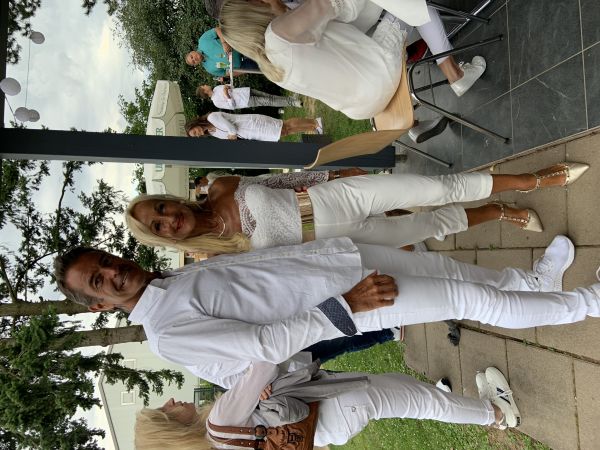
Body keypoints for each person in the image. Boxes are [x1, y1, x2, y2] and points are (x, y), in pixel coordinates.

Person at [54, 234, 600, 388]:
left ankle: (534, 283)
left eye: (105, 260)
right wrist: (346, 306)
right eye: (100, 280)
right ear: (100, 304)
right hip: (353, 301)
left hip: (344, 262)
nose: (114, 270)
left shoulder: (169, 278)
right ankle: (587, 303)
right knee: (468, 301)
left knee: (454, 272)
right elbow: (264, 347)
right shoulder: (166, 333)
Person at [124, 163, 589, 254]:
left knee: (434, 187)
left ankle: (532, 179)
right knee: (429, 226)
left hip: (330, 198)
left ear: (170, 198)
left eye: (160, 207)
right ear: (164, 238)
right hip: (339, 240)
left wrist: (334, 175)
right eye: (158, 226)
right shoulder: (214, 255)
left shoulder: (222, 186)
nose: (168, 218)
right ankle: (497, 212)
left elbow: (280, 181)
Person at [218, 0, 487, 125]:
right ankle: (455, 75)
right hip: (379, 77)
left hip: (364, 109)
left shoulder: (270, 66)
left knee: (394, 15)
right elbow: (327, 5)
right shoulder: (277, 35)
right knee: (414, 7)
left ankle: (416, 125)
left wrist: (281, 9)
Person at [134, 364, 520, 449]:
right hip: (334, 405)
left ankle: (486, 408)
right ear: (172, 430)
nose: (170, 402)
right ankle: (498, 413)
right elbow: (265, 363)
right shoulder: (219, 421)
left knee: (411, 394)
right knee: (422, 402)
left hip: (325, 430)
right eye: (165, 411)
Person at [184, 112, 323, 141]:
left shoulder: (211, 117)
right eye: (195, 136)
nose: (198, 134)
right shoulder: (213, 133)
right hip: (251, 133)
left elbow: (232, 129)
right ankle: (312, 127)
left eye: (194, 132)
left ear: (195, 125)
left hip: (252, 123)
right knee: (283, 133)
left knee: (284, 125)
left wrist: (231, 137)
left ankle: (315, 122)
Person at [186, 27, 260, 78]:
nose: (194, 59)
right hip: (244, 65)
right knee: (264, 63)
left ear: (192, 52)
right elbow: (227, 73)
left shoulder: (202, 41)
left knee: (262, 48)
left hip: (240, 46)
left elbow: (217, 30)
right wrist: (245, 71)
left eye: (192, 57)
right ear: (196, 64)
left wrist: (224, 43)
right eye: (193, 62)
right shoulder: (209, 69)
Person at [196, 84, 303, 110]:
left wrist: (227, 86)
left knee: (270, 97)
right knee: (269, 101)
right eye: (203, 86)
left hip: (246, 91)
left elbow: (231, 86)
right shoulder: (216, 102)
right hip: (246, 101)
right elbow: (232, 106)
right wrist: (226, 94)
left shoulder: (216, 88)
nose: (205, 85)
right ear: (204, 91)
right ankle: (294, 103)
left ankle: (291, 100)